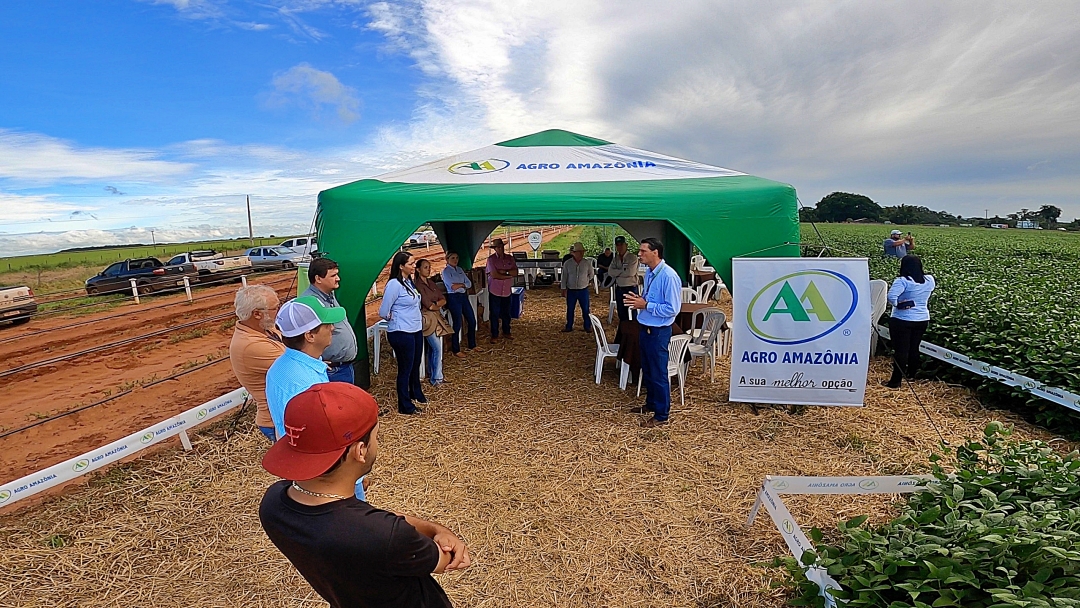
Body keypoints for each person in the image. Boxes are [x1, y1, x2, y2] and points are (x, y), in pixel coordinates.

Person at [259, 382, 471, 608]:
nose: (377, 444)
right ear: (360, 451)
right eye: (376, 437)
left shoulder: (273, 504)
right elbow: (443, 560)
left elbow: (369, 523)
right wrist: (440, 530)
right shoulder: (386, 536)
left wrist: (433, 530)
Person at [265, 296, 344, 440]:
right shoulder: (309, 385)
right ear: (310, 336)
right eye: (326, 325)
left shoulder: (278, 367)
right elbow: (317, 435)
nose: (332, 327)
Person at [623, 237, 682, 427]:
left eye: (643, 251)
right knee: (647, 370)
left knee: (658, 373)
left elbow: (672, 309)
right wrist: (640, 300)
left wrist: (646, 304)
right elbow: (651, 299)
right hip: (646, 328)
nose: (639, 254)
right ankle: (651, 404)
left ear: (655, 253)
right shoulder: (650, 272)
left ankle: (662, 414)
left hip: (658, 331)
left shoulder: (669, 276)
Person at [229, 285, 286, 442]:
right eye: (275, 308)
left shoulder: (265, 329)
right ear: (257, 314)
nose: (279, 311)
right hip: (277, 419)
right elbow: (296, 364)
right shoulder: (252, 346)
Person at [378, 251, 426, 414]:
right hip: (401, 331)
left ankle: (416, 392)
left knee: (415, 363)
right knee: (405, 368)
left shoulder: (408, 282)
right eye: (411, 264)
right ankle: (405, 405)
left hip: (415, 328)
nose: (414, 266)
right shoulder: (394, 285)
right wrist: (394, 317)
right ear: (401, 266)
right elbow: (383, 311)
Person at [302, 258, 359, 385]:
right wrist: (316, 361)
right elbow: (302, 337)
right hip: (333, 370)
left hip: (342, 367)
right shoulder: (310, 303)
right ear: (318, 279)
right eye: (333, 275)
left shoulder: (328, 295)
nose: (338, 278)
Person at [884, 254, 936, 388]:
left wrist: (899, 304)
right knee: (914, 348)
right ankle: (912, 374)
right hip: (922, 319)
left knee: (901, 351)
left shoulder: (903, 281)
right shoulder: (929, 279)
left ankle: (895, 381)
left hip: (902, 320)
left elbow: (891, 296)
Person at [415, 258, 447, 386]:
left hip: (434, 316)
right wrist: (436, 304)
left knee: (433, 348)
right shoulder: (417, 285)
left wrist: (436, 304)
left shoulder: (431, 283)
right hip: (426, 320)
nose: (428, 270)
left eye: (429, 267)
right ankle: (437, 378)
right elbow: (429, 305)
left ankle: (431, 373)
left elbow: (443, 299)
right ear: (418, 269)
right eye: (425, 267)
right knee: (436, 347)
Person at [441, 252, 477, 357]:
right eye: (452, 258)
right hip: (454, 297)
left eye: (457, 258)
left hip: (463, 296)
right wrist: (462, 285)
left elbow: (469, 284)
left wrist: (460, 285)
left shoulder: (460, 269)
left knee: (471, 320)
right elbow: (452, 287)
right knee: (457, 323)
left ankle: (472, 344)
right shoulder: (446, 272)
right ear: (447, 259)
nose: (455, 260)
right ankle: (456, 349)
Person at [485, 238, 518, 343]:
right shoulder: (491, 259)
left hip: (506, 291)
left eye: (501, 246)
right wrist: (508, 275)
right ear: (495, 249)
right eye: (498, 247)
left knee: (506, 313)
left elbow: (516, 272)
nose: (500, 248)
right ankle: (494, 334)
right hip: (495, 290)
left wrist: (504, 273)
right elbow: (494, 275)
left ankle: (506, 331)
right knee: (494, 313)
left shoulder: (510, 258)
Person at [561, 242, 594, 333]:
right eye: (579, 252)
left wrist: (586, 282)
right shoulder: (567, 264)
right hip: (571, 290)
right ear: (574, 253)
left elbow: (591, 274)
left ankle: (587, 326)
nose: (581, 254)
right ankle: (569, 326)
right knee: (570, 309)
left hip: (583, 289)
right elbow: (564, 277)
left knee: (586, 309)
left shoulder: (587, 263)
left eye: (582, 252)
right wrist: (563, 289)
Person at [607, 235, 640, 322]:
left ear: (626, 245)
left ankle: (633, 331)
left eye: (621, 244)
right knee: (621, 313)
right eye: (618, 245)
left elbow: (630, 273)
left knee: (632, 312)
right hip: (620, 288)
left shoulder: (632, 257)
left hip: (631, 288)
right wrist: (622, 271)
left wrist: (617, 272)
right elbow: (610, 272)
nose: (619, 247)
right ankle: (624, 330)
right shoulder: (616, 258)